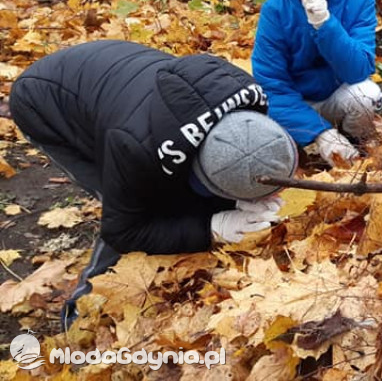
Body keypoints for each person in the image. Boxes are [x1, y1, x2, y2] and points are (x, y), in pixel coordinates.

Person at [9, 40, 299, 328]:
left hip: (109, 74)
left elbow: (248, 153)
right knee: (132, 204)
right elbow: (123, 230)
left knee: (172, 199)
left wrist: (249, 196)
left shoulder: (248, 99)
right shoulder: (135, 147)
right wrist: (210, 228)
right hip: (44, 101)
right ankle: (82, 311)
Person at [252, 0, 382, 166]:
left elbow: (358, 70)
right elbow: (272, 85)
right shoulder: (275, 10)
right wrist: (320, 134)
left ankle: (357, 147)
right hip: (296, 104)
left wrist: (324, 23)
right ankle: (317, 144)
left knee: (368, 95)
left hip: (339, 95)